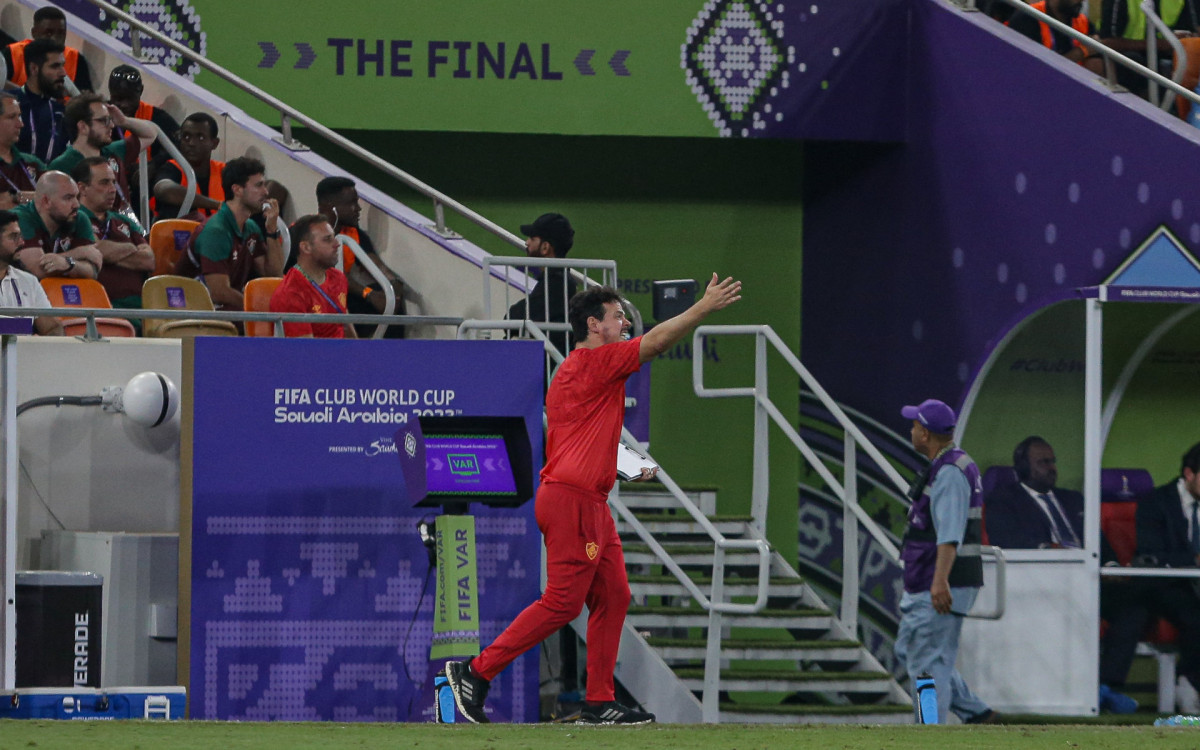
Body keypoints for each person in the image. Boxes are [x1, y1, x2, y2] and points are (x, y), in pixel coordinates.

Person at [445, 273, 743, 725]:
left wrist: (621, 463)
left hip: (588, 502)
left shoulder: (576, 372)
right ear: (593, 325)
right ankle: (475, 672)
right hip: (573, 502)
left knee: (615, 595)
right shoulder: (592, 363)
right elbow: (657, 343)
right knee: (563, 604)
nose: (626, 324)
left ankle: (599, 701)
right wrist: (703, 307)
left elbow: (579, 439)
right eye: (618, 318)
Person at [894, 398, 995, 725]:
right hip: (933, 579)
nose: (911, 430)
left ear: (924, 433)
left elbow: (949, 536)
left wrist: (940, 581)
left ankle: (930, 730)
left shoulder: (950, 472)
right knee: (919, 653)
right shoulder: (950, 464)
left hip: (937, 581)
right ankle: (977, 713)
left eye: (914, 426)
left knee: (926, 662)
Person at [1132, 441, 1200, 713]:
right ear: (1189, 474)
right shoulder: (1155, 503)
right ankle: (1189, 682)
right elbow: (1151, 553)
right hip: (1165, 584)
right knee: (1194, 615)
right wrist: (1193, 562)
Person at [178, 156, 282, 311]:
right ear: (237, 190)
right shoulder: (216, 231)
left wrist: (272, 230)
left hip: (226, 309)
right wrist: (258, 308)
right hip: (195, 310)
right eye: (259, 185)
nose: (266, 192)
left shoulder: (251, 228)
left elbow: (272, 275)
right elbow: (218, 292)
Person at [312, 176, 406, 337]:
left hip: (342, 296)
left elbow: (378, 268)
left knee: (390, 303)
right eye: (351, 203)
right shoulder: (308, 232)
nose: (358, 208)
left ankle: (391, 356)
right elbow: (329, 274)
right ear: (330, 207)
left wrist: (394, 289)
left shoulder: (354, 233)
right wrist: (369, 294)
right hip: (313, 296)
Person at [48, 93, 156, 220]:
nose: (111, 125)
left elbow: (151, 133)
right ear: (83, 126)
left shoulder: (112, 151)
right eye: (104, 121)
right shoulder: (61, 166)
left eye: (110, 120)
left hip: (126, 228)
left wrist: (124, 121)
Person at [73, 156, 152, 311]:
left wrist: (108, 253)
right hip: (101, 307)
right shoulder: (75, 218)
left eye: (114, 182)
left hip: (141, 307)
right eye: (104, 183)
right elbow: (97, 250)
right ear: (82, 188)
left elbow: (148, 260)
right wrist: (130, 247)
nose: (113, 189)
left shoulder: (125, 220)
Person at [984, 436, 1083, 549]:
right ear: (1024, 467)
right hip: (1044, 564)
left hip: (1088, 562)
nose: (1052, 468)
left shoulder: (1074, 499)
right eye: (1044, 462)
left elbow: (1100, 546)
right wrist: (1050, 549)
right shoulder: (1003, 502)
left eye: (1052, 461)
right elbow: (1007, 541)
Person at [269, 213, 355, 339]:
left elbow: (345, 325)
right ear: (306, 247)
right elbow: (305, 353)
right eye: (327, 239)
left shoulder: (338, 278)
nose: (337, 243)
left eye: (334, 237)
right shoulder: (291, 294)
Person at [508, 212, 577, 358]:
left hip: (549, 372)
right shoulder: (557, 280)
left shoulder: (557, 283)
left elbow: (512, 319)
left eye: (532, 238)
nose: (526, 242)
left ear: (545, 247)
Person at [12, 170, 100, 280]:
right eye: (68, 198)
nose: (77, 204)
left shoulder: (78, 218)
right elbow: (38, 271)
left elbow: (93, 271)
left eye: (77, 197)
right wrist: (78, 254)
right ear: (46, 201)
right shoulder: (19, 218)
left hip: (66, 294)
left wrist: (66, 263)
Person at [0, 208, 62, 335]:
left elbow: (52, 327)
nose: (22, 242)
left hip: (22, 353)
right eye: (13, 237)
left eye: (20, 236)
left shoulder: (28, 281)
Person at [3, 6, 93, 93]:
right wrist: (26, 96)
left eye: (61, 33)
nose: (55, 38)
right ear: (34, 33)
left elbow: (85, 100)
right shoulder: (14, 53)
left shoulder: (75, 58)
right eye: (48, 33)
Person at [153, 112, 224, 221]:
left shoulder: (225, 171)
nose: (191, 143)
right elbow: (163, 190)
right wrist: (218, 205)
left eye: (200, 138)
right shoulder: (172, 168)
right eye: (186, 137)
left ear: (214, 143)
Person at [106, 65, 179, 167]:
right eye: (118, 98)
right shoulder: (101, 113)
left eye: (130, 98)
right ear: (110, 93)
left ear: (141, 91)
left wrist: (153, 165)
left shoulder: (157, 117)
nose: (124, 105)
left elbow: (178, 145)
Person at [1007, 0, 1105, 74]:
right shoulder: (1027, 18)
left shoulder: (1083, 22)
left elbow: (1097, 66)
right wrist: (1081, 51)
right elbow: (1036, 73)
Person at [15, 38, 67, 164]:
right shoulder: (9, 105)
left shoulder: (60, 112)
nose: (63, 73)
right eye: (55, 66)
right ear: (34, 69)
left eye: (62, 65)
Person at [0, 90, 44, 211]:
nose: (21, 124)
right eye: (11, 117)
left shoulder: (32, 162)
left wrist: (17, 197)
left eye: (19, 116)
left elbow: (54, 197)